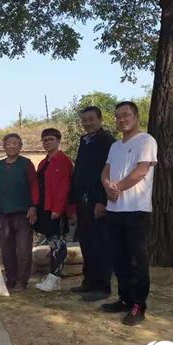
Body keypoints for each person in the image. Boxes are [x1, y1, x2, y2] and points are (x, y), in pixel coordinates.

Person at [101, 101, 157, 326]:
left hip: (136, 209)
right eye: (117, 116)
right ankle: (124, 299)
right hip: (114, 210)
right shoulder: (115, 146)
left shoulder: (146, 140)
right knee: (118, 258)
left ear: (136, 117)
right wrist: (107, 186)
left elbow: (142, 170)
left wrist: (118, 188)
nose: (121, 119)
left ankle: (138, 305)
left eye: (125, 115)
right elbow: (105, 170)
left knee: (137, 260)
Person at [70, 106, 116, 302]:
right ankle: (88, 282)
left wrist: (102, 201)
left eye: (91, 119)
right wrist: (74, 198)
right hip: (83, 199)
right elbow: (80, 169)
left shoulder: (108, 141)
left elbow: (109, 172)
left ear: (100, 119)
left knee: (101, 244)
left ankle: (103, 287)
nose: (87, 123)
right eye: (84, 119)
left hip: (97, 200)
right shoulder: (84, 140)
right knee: (86, 242)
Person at [0, 133, 39, 291]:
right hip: (5, 214)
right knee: (7, 250)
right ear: (4, 146)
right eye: (8, 143)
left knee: (23, 250)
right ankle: (11, 279)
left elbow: (34, 186)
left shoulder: (26, 164)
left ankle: (22, 281)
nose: (11, 146)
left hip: (23, 213)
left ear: (20, 146)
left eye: (15, 144)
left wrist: (33, 206)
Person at [34, 128, 75, 292]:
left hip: (56, 208)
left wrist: (58, 209)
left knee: (59, 243)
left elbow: (65, 188)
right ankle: (53, 277)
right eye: (45, 140)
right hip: (44, 206)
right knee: (51, 242)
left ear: (58, 141)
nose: (47, 143)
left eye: (51, 139)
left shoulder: (64, 161)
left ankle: (54, 277)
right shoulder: (43, 163)